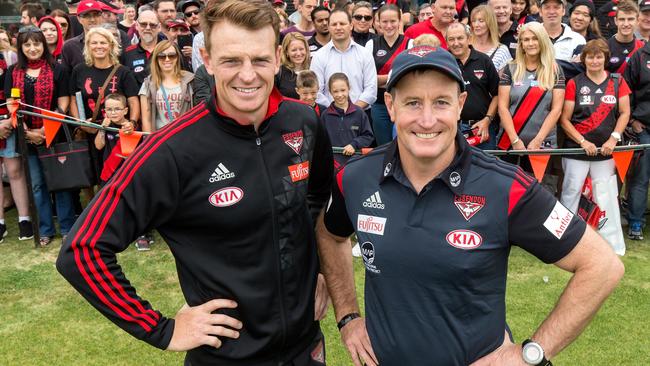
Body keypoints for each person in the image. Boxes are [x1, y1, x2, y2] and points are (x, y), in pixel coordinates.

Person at [57, 0, 334, 364]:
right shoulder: (170, 150)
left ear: (278, 58)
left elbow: (314, 203)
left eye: (261, 60)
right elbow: (82, 251)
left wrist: (315, 270)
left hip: (305, 347)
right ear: (206, 58)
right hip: (226, 356)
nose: (248, 75)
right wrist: (163, 329)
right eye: (232, 60)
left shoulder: (304, 122)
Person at [316, 44, 624, 366]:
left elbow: (602, 265)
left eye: (441, 102)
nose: (426, 119)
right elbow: (330, 235)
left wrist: (529, 355)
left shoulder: (505, 186)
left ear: (460, 105)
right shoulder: (354, 178)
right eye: (412, 103)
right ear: (390, 107)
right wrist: (348, 317)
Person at [4, 26, 73, 246]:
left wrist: (44, 131)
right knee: (36, 185)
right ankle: (44, 230)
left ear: (43, 45)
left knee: (61, 183)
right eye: (27, 44)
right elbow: (10, 105)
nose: (33, 48)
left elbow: (63, 105)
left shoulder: (58, 69)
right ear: (21, 47)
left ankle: (67, 229)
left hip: (54, 135)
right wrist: (26, 132)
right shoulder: (12, 72)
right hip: (26, 138)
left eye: (37, 43)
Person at [559, 39, 630, 216]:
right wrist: (582, 142)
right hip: (576, 150)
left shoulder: (618, 81)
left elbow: (625, 113)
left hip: (606, 151)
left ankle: (604, 237)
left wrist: (613, 139)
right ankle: (566, 237)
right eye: (590, 57)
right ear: (584, 59)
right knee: (571, 192)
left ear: (605, 58)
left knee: (604, 195)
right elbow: (565, 120)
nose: (594, 61)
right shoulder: (574, 83)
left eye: (599, 57)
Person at [497, 22, 565, 176]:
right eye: (526, 39)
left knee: (539, 192)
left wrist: (538, 140)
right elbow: (502, 107)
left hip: (542, 143)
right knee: (507, 191)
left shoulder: (555, 70)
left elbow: (556, 110)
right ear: (520, 44)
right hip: (510, 142)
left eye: (535, 38)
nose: (531, 43)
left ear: (542, 40)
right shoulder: (510, 68)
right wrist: (515, 140)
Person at [311, 9, 377, 110]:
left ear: (351, 25)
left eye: (342, 23)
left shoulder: (365, 54)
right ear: (328, 27)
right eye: (334, 24)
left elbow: (371, 89)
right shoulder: (319, 56)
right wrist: (334, 110)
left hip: (360, 114)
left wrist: (353, 110)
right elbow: (316, 90)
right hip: (329, 116)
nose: (338, 27)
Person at [447, 22, 500, 149]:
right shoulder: (444, 63)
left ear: (469, 38)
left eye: (460, 38)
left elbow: (498, 94)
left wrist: (487, 120)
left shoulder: (483, 60)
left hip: (482, 128)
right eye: (451, 39)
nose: (456, 43)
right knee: (457, 168)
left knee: (485, 168)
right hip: (453, 130)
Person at [365, 4, 410, 145]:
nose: (389, 25)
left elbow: (408, 78)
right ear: (377, 22)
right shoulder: (371, 44)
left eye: (393, 21)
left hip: (403, 103)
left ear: (400, 22)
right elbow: (368, 79)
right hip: (378, 105)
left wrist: (381, 79)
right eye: (385, 21)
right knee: (383, 147)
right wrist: (394, 77)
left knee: (404, 145)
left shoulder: (410, 43)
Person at [623, 34, 650, 240]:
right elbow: (627, 91)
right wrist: (632, 120)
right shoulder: (639, 56)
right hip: (644, 128)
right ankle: (635, 223)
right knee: (640, 178)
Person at [140, 40, 194, 133]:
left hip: (185, 136)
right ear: (156, 59)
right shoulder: (148, 84)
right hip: (161, 138)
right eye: (162, 56)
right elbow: (146, 119)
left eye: (172, 55)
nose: (167, 59)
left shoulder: (190, 80)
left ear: (177, 57)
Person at [321, 72, 374, 167]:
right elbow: (321, 140)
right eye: (335, 91)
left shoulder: (359, 113)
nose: (340, 94)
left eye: (343, 90)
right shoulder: (325, 115)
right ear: (330, 92)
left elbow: (368, 136)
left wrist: (354, 144)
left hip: (354, 163)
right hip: (331, 165)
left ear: (349, 88)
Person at [94, 93, 135, 185]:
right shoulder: (106, 125)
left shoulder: (130, 127)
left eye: (117, 109)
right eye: (109, 109)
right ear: (105, 111)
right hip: (109, 173)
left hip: (127, 172)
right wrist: (102, 129)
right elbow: (98, 146)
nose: (113, 113)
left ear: (125, 111)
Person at [61, 0, 104, 73]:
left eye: (96, 14)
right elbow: (66, 77)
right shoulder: (70, 46)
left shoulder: (113, 41)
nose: (92, 19)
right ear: (79, 19)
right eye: (87, 16)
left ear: (101, 17)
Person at [122, 10, 160, 85]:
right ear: (136, 25)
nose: (148, 28)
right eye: (143, 24)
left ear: (159, 27)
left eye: (152, 25)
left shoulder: (169, 50)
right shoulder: (127, 53)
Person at [470, 5, 513, 71]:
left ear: (490, 23)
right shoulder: (466, 46)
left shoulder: (501, 51)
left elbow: (505, 80)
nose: (476, 25)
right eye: (473, 21)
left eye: (481, 21)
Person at [607, 0, 644, 74]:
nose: (626, 24)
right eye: (622, 19)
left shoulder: (643, 48)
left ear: (637, 21)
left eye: (630, 19)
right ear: (615, 21)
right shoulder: (604, 47)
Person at [276, 32, 311, 99]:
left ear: (306, 49)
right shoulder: (279, 73)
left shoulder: (313, 68)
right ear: (286, 52)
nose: (298, 53)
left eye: (301, 49)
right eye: (294, 50)